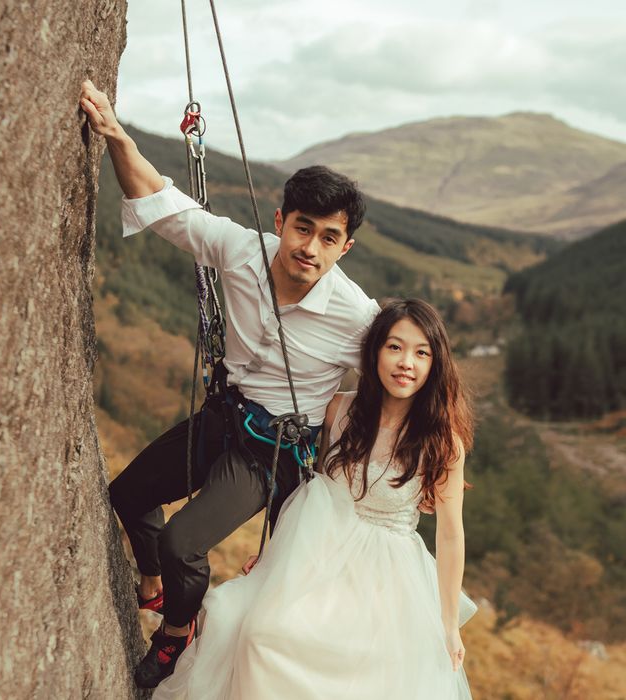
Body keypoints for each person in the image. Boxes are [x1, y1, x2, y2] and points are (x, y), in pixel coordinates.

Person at [80, 81, 381, 688]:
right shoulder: (242, 252)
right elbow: (164, 205)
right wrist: (115, 135)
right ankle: (160, 588)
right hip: (225, 415)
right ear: (281, 221)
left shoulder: (358, 318)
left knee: (184, 541)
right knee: (129, 495)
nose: (311, 248)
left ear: (346, 246)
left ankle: (173, 635)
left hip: (274, 452)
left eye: (329, 238)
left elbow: (402, 375)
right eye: (303, 228)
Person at [153, 298, 477, 700]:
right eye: (394, 347)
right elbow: (313, 489)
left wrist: (448, 623)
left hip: (386, 574)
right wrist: (278, 556)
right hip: (319, 550)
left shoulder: (442, 443)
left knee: (359, 668)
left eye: (421, 352)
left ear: (435, 363)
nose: (405, 362)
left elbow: (449, 537)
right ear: (375, 351)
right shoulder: (340, 410)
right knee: (255, 632)